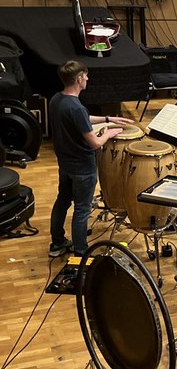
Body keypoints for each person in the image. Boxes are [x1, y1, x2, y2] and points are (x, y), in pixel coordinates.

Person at [48, 61, 133, 258]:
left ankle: (57, 243)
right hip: (82, 168)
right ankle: (81, 252)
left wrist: (108, 119)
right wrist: (109, 134)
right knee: (82, 210)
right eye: (85, 76)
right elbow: (95, 143)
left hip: (65, 164)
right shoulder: (75, 107)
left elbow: (82, 118)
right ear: (78, 79)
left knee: (62, 201)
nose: (87, 79)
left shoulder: (57, 99)